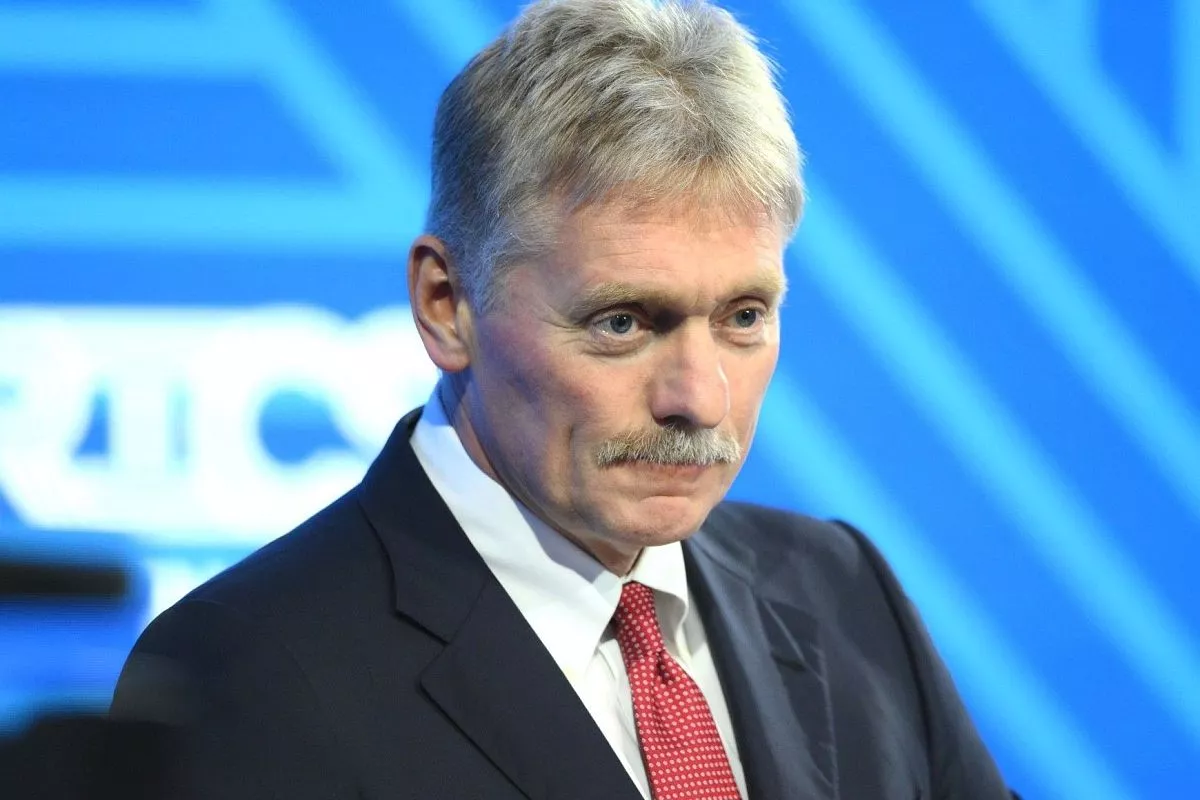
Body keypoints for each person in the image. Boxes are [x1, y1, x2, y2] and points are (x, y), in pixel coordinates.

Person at [111, 1, 1018, 797]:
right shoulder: (247, 669)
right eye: (623, 322)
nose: (700, 399)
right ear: (446, 306)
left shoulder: (844, 595)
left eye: (744, 317)